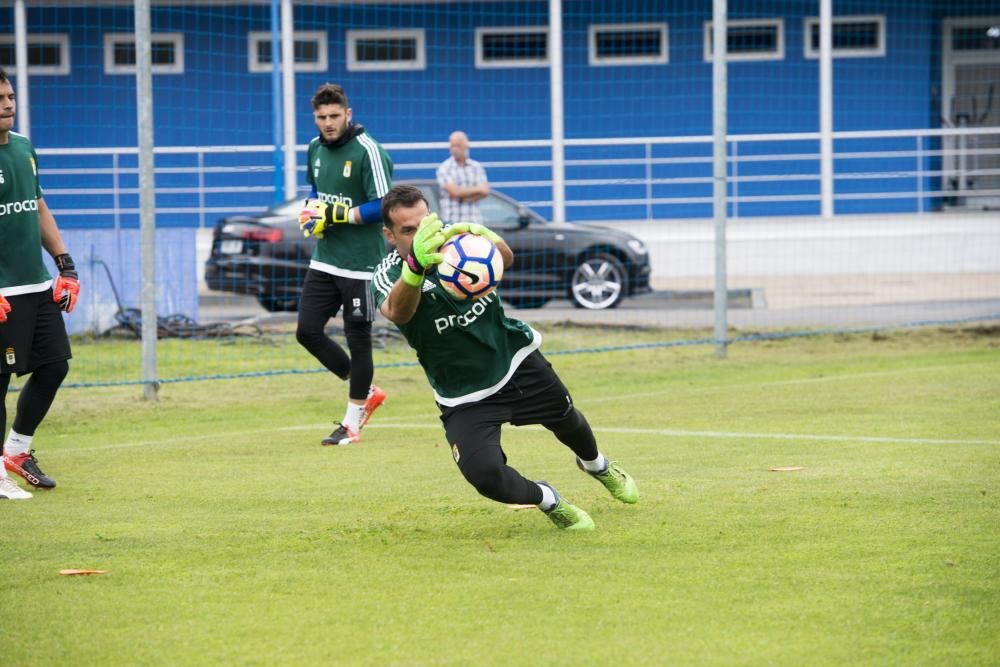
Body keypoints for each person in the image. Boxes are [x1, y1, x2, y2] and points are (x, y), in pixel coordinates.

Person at [371, 185, 638, 530]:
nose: (420, 234)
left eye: (423, 225)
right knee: (484, 476)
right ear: (389, 235)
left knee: (565, 418)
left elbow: (504, 260)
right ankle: (549, 499)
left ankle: (597, 466)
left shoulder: (458, 245)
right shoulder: (387, 273)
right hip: (464, 392)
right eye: (408, 230)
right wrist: (415, 267)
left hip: (514, 359)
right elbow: (397, 312)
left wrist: (488, 238)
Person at [296, 83, 393, 446]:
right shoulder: (313, 148)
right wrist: (310, 211)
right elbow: (316, 192)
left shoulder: (369, 150)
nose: (328, 123)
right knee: (307, 332)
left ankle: (351, 425)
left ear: (348, 114)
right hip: (325, 261)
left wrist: (341, 214)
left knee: (359, 340)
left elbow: (384, 204)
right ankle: (366, 390)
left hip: (362, 266)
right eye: (321, 117)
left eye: (335, 116)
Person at [0, 68, 80, 500]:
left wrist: (65, 265)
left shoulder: (24, 148)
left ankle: (16, 450)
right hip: (1, 291)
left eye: (10, 95)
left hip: (35, 284)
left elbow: (37, 206)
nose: (8, 103)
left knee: (55, 365)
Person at [435, 130, 489, 224]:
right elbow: (455, 192)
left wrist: (463, 195)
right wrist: (476, 190)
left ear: (466, 146)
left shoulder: (476, 167)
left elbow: (484, 191)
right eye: (452, 146)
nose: (454, 149)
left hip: (474, 223)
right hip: (452, 224)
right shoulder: (445, 168)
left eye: (458, 145)